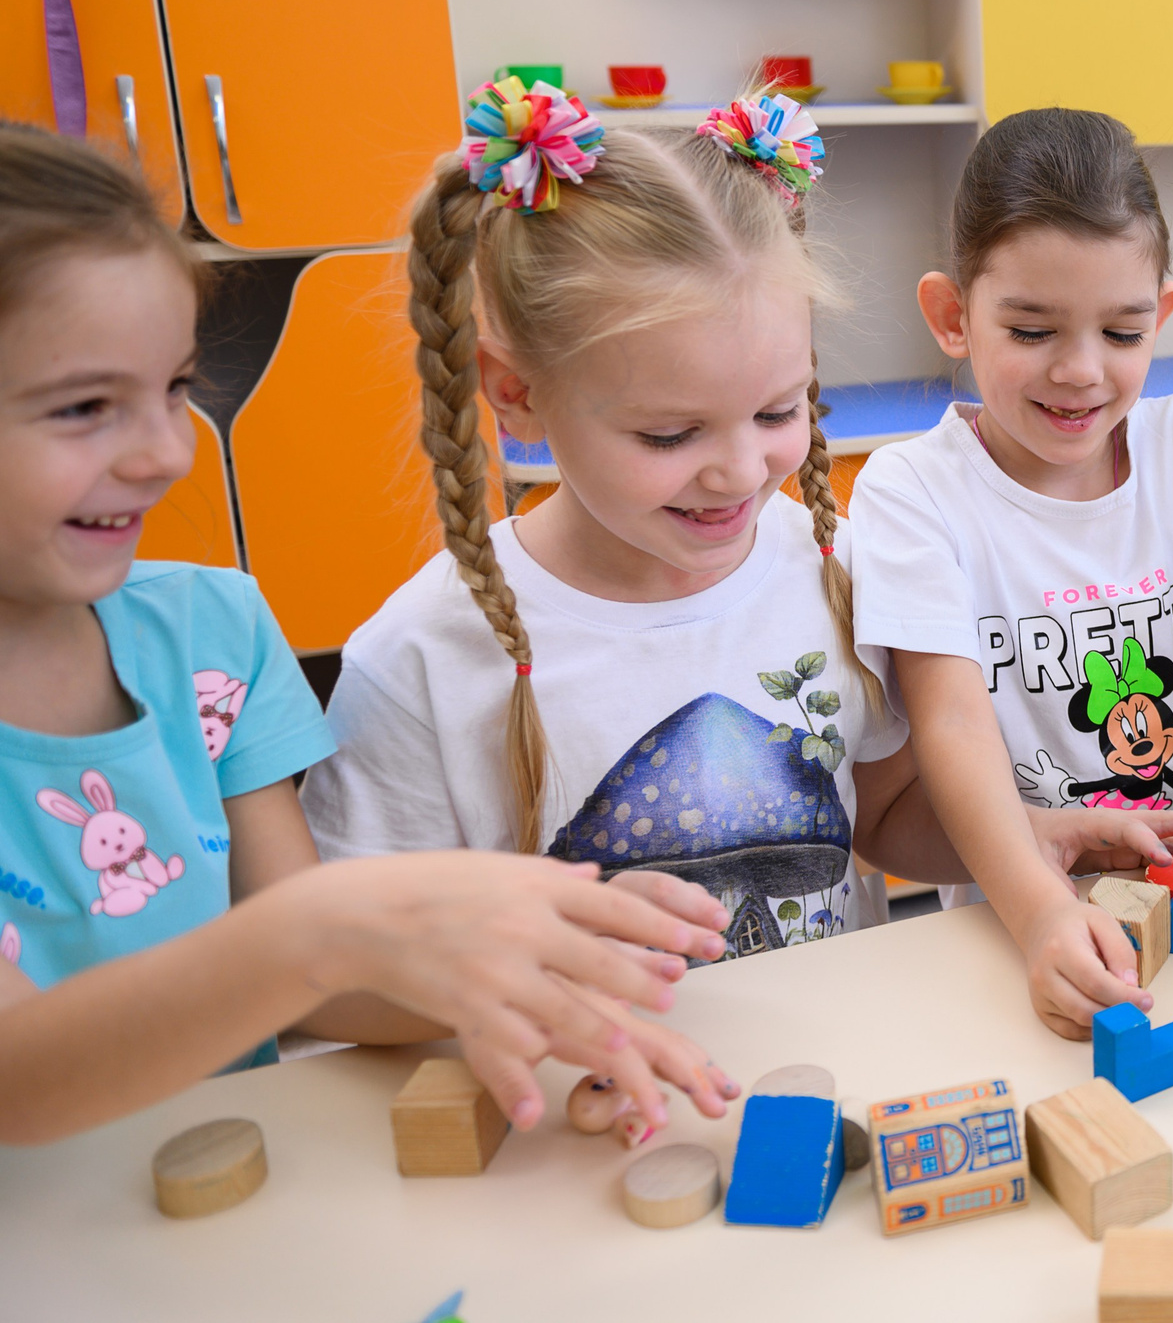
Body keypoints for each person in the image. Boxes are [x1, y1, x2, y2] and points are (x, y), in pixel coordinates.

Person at [304, 85, 1173, 961]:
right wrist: (521, 947)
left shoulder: (834, 565)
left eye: (779, 412)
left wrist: (1037, 839)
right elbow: (343, 978)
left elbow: (887, 814)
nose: (742, 472)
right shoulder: (421, 662)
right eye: (669, 431)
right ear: (516, 394)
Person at [0, 121, 735, 1145]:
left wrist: (539, 974)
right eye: (84, 406)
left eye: (174, 388)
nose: (170, 451)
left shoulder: (212, 633)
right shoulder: (413, 650)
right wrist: (315, 934)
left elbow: (319, 993)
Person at [850, 107, 1173, 1039]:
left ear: (1163, 314)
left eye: (1123, 333)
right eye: (1031, 330)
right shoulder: (911, 490)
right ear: (951, 315)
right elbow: (950, 719)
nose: (1081, 372)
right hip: (1031, 916)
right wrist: (1040, 911)